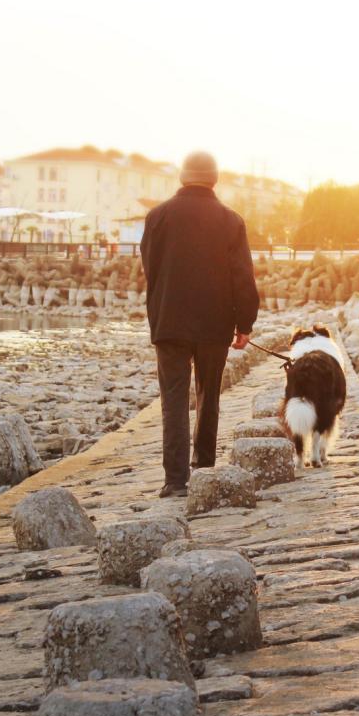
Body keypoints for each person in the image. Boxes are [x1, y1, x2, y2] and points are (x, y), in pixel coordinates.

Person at [140, 151, 260, 497]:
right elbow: (243, 278)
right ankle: (204, 467)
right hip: (214, 321)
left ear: (182, 176)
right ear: (214, 178)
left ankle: (175, 481)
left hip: (169, 321)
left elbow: (152, 268)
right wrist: (245, 323)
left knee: (173, 400)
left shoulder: (157, 217)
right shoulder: (230, 220)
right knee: (208, 395)